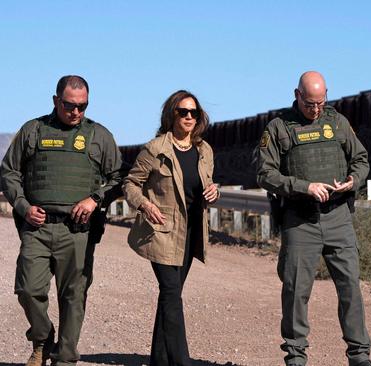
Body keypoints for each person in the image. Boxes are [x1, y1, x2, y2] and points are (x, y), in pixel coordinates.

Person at [0, 75, 123, 365]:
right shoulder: (33, 130)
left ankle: (65, 358)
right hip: (37, 226)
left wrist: (95, 199)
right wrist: (22, 205)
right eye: (70, 105)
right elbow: (9, 172)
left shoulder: (99, 136)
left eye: (83, 106)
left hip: (78, 231)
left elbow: (118, 177)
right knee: (28, 289)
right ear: (56, 100)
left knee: (73, 295)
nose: (76, 112)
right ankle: (42, 338)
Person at [256, 71, 371, 366]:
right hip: (300, 220)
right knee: (296, 290)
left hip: (338, 218)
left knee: (350, 287)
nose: (316, 109)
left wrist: (352, 181)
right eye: (310, 104)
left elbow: (361, 160)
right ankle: (296, 356)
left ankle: (359, 355)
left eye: (321, 103)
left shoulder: (338, 122)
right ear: (297, 95)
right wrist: (303, 186)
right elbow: (264, 173)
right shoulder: (279, 128)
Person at [122, 90, 220, 365]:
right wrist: (144, 205)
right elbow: (130, 183)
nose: (189, 117)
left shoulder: (204, 150)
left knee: (171, 296)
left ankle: (160, 359)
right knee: (170, 293)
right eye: (183, 111)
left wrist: (215, 191)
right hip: (162, 231)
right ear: (171, 114)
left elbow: (207, 184)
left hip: (190, 232)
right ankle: (181, 360)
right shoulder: (155, 149)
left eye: (194, 112)